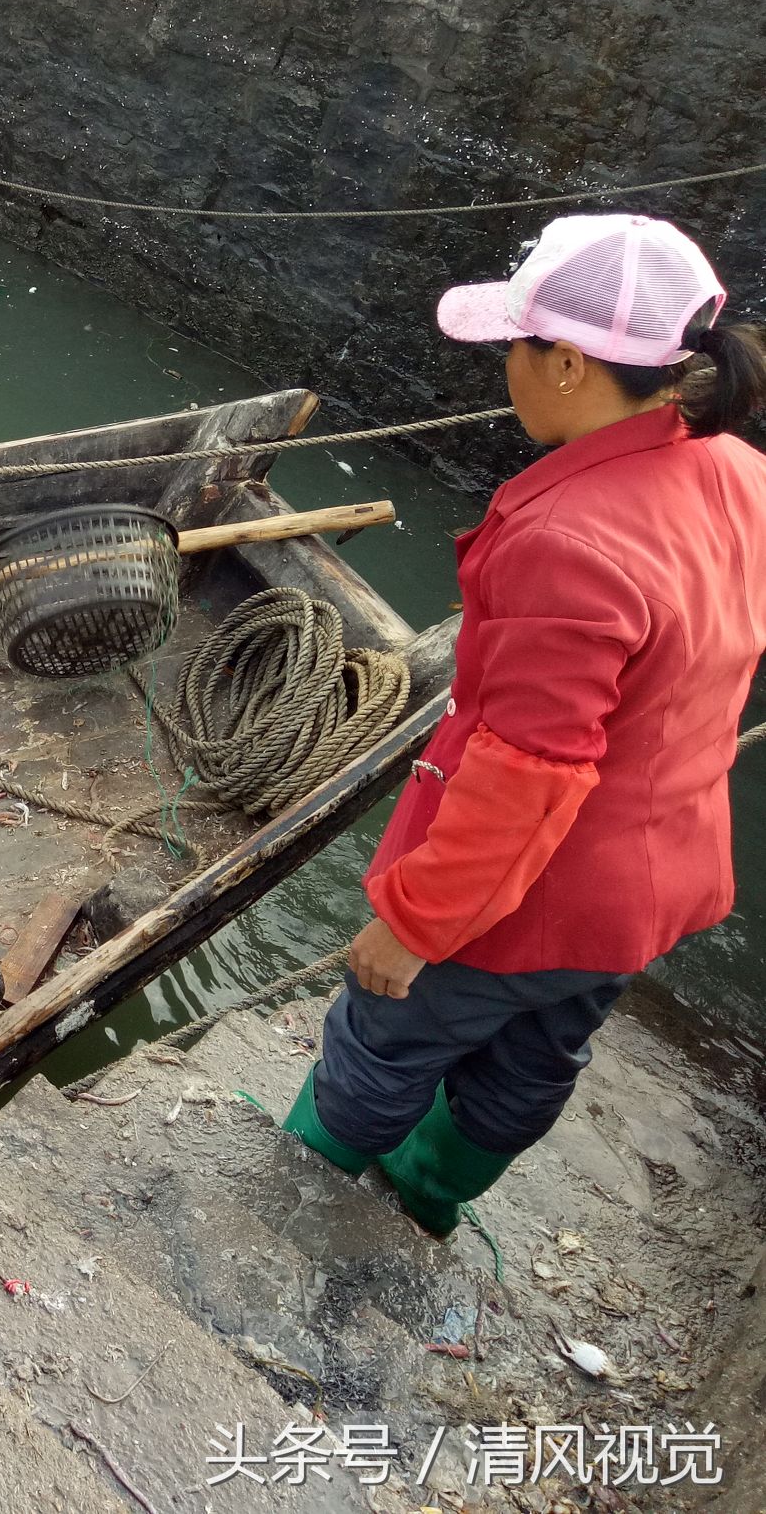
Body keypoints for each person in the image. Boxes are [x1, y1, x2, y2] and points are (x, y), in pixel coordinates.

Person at [284, 212, 766, 1234]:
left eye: (515, 343)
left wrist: (411, 924)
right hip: (647, 893)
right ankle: (424, 1196)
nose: (502, 362)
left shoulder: (567, 538)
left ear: (564, 366)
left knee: (384, 1033)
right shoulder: (736, 474)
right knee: (538, 1052)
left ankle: (296, 1196)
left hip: (524, 898)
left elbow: (527, 776)